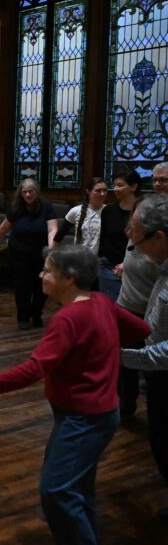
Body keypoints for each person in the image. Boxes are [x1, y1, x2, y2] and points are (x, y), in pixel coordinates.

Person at [0, 245, 150, 545]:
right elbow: (141, 330)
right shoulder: (101, 301)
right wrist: (101, 350)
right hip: (101, 414)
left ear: (70, 278)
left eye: (48, 270)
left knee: (56, 491)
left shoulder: (68, 318)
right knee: (78, 489)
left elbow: (36, 368)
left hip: (83, 419)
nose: (41, 275)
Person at [120, 192, 168, 525]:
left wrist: (122, 357)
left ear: (159, 237)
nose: (135, 248)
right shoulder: (162, 267)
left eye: (138, 242)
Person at [0, 178, 57, 329]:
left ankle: (36, 314)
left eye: (31, 192)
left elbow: (52, 229)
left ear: (36, 192)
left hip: (41, 254)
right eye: (24, 192)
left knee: (41, 286)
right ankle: (23, 318)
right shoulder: (16, 207)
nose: (27, 195)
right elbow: (4, 227)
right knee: (21, 287)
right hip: (19, 254)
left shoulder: (47, 207)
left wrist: (51, 248)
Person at [97, 170, 140, 302]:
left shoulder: (142, 210)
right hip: (108, 267)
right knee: (109, 307)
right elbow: (103, 238)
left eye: (120, 185)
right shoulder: (108, 210)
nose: (115, 189)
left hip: (135, 267)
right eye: (114, 185)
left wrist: (127, 262)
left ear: (133, 187)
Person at [61, 177, 107, 252]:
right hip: (80, 256)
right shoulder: (75, 211)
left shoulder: (109, 211)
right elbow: (59, 236)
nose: (102, 194)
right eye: (98, 190)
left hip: (100, 257)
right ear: (88, 191)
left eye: (105, 190)